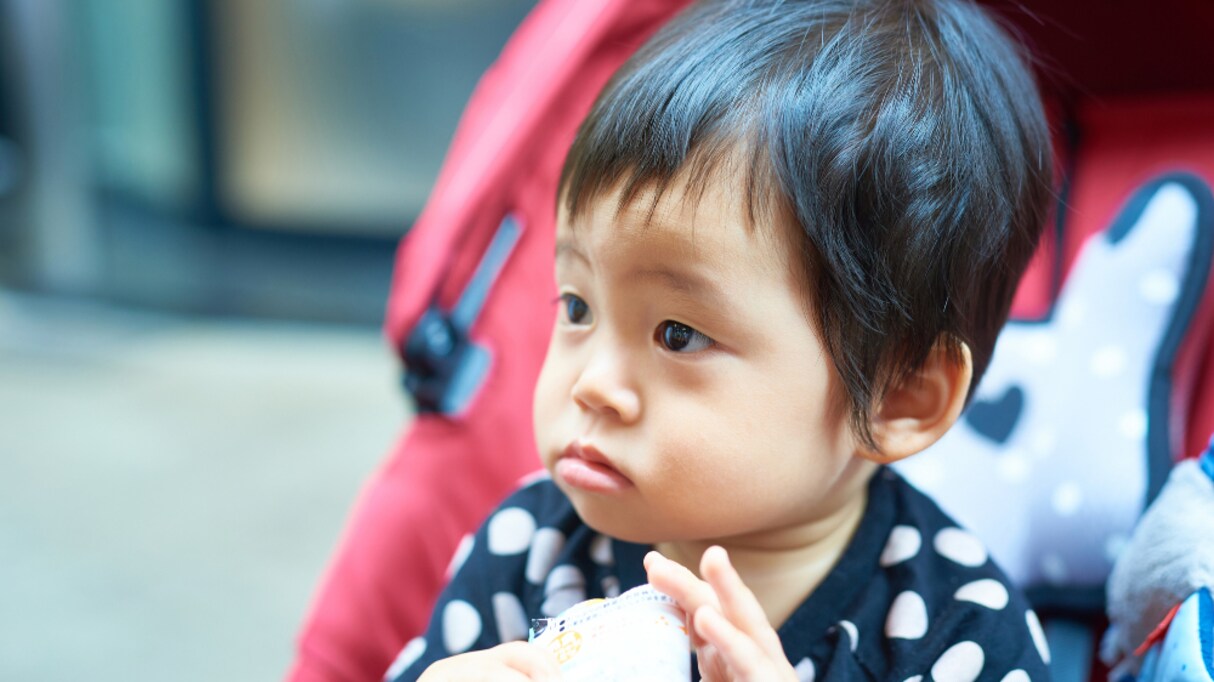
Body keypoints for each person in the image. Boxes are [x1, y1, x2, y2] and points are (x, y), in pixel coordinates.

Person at [387, 0, 1054, 678]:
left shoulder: (959, 633)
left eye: (678, 335)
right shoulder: (530, 548)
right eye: (578, 306)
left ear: (898, 396)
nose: (591, 384)